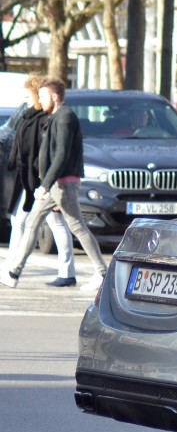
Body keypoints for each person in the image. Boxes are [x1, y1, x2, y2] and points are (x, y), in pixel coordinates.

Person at [3, 79, 110, 291]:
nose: (39, 101)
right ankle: (13, 272)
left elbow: (61, 154)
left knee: (77, 227)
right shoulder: (56, 117)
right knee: (32, 222)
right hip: (56, 185)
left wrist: (45, 184)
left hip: (62, 184)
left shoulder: (65, 117)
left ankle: (102, 273)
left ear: (54, 96)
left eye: (42, 96)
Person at [4, 74, 77, 287]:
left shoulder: (46, 119)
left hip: (41, 180)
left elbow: (51, 153)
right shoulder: (28, 116)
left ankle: (68, 271)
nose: (25, 100)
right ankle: (12, 269)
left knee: (60, 224)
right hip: (30, 179)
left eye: (28, 95)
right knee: (22, 222)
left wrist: (46, 183)